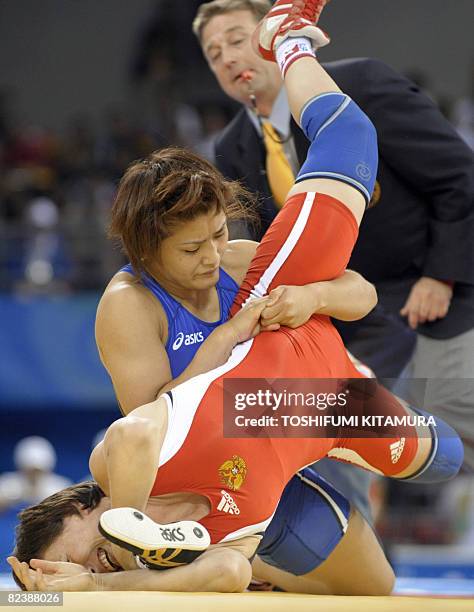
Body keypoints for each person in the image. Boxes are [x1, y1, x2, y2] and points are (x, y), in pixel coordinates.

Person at [9, 0, 463, 593]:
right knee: (379, 573)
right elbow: (162, 413)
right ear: (148, 253)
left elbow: (362, 293)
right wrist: (224, 338)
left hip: (283, 399)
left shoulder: (234, 261)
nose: (210, 257)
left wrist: (312, 296)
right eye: (191, 250)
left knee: (444, 455)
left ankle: (289, 39)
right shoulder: (129, 302)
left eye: (217, 235)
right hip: (268, 440)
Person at [193, 0, 474, 476]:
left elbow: (459, 177)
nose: (228, 59)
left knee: (451, 429)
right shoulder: (232, 147)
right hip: (339, 317)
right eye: (214, 53)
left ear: (268, 37)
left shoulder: (361, 84)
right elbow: (264, 252)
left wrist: (439, 275)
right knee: (325, 457)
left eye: (238, 40)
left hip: (431, 296)